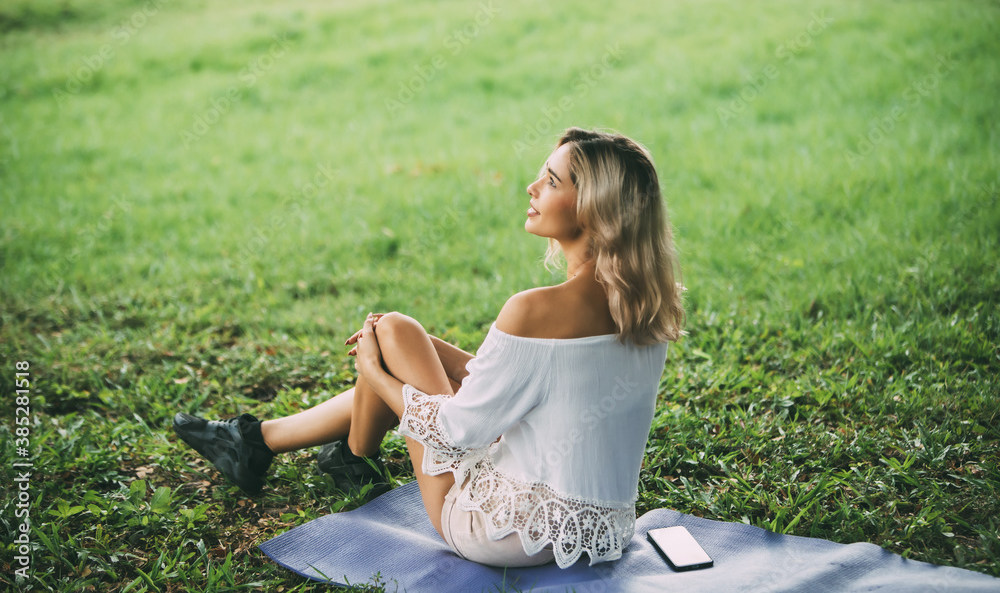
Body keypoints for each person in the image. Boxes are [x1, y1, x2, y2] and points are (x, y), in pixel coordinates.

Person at [173, 127, 685, 569]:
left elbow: (459, 432)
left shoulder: (533, 311)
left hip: (502, 532)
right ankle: (272, 443)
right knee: (398, 332)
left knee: (390, 332)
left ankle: (340, 451)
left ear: (595, 207)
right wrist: (417, 352)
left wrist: (377, 373)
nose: (531, 187)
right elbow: (542, 382)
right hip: (598, 532)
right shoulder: (647, 307)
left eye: (551, 181)